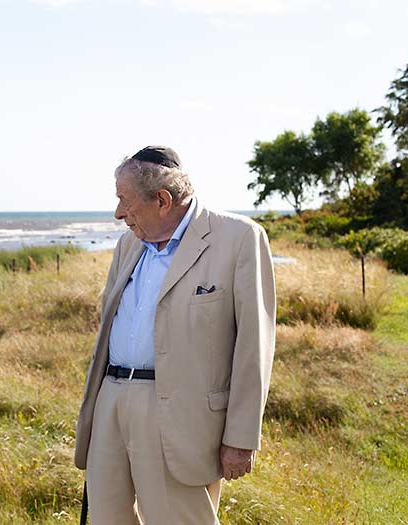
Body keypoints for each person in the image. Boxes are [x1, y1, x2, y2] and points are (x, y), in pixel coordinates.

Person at [74, 146, 276, 524]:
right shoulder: (127, 244)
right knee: (106, 518)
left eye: (124, 200)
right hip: (112, 399)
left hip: (181, 413)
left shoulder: (238, 238)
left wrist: (242, 436)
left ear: (163, 201)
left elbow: (255, 345)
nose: (118, 213)